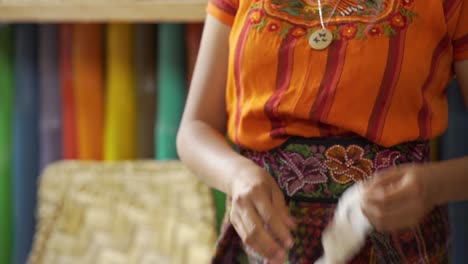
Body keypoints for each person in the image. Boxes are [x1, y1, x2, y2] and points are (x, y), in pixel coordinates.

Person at [177, 0, 468, 262]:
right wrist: (237, 176)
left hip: (394, 241)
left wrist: (433, 186)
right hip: (264, 245)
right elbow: (194, 128)